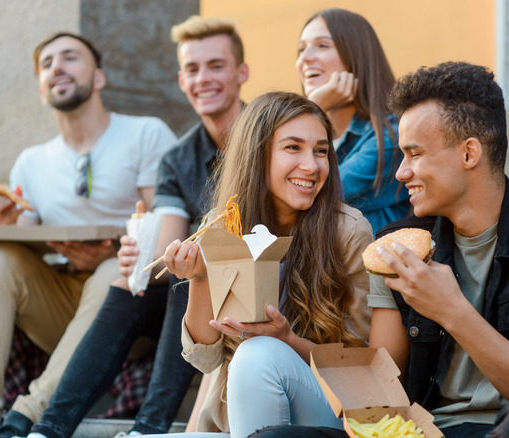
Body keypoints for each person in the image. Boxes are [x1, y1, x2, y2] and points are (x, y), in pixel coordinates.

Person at [250, 62, 509, 438]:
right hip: (424, 433)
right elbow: (382, 392)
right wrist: (288, 343)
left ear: (469, 154)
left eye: (414, 154)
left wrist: (452, 311)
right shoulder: (397, 246)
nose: (401, 173)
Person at [21, 16, 250, 438]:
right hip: (198, 298)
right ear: (181, 80)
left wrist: (185, 263)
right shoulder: (178, 158)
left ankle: (148, 429)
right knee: (136, 280)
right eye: (193, 70)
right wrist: (140, 257)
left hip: (267, 284)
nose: (204, 79)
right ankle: (48, 429)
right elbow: (166, 250)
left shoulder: (270, 134)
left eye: (216, 66)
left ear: (242, 72)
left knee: (190, 270)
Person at [0, 32, 177, 438]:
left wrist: (111, 254)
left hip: (129, 305)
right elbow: (27, 246)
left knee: (111, 269)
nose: (57, 66)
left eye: (70, 57)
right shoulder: (31, 162)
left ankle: (29, 415)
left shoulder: (146, 134)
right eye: (47, 63)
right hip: (58, 301)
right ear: (41, 88)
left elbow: (167, 221)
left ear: (100, 77)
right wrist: (5, 223)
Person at [157, 91, 373, 438]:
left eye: (321, 151)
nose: (312, 165)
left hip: (330, 411)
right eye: (293, 148)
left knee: (257, 352)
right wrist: (200, 276)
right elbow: (205, 358)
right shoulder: (223, 225)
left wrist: (286, 339)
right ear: (257, 154)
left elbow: (362, 365)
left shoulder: (348, 231)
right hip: (237, 415)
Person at [296, 8, 409, 233]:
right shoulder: (316, 137)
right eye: (301, 49)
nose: (306, 58)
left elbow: (313, 196)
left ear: (357, 57)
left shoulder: (389, 137)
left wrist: (314, 107)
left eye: (323, 45)